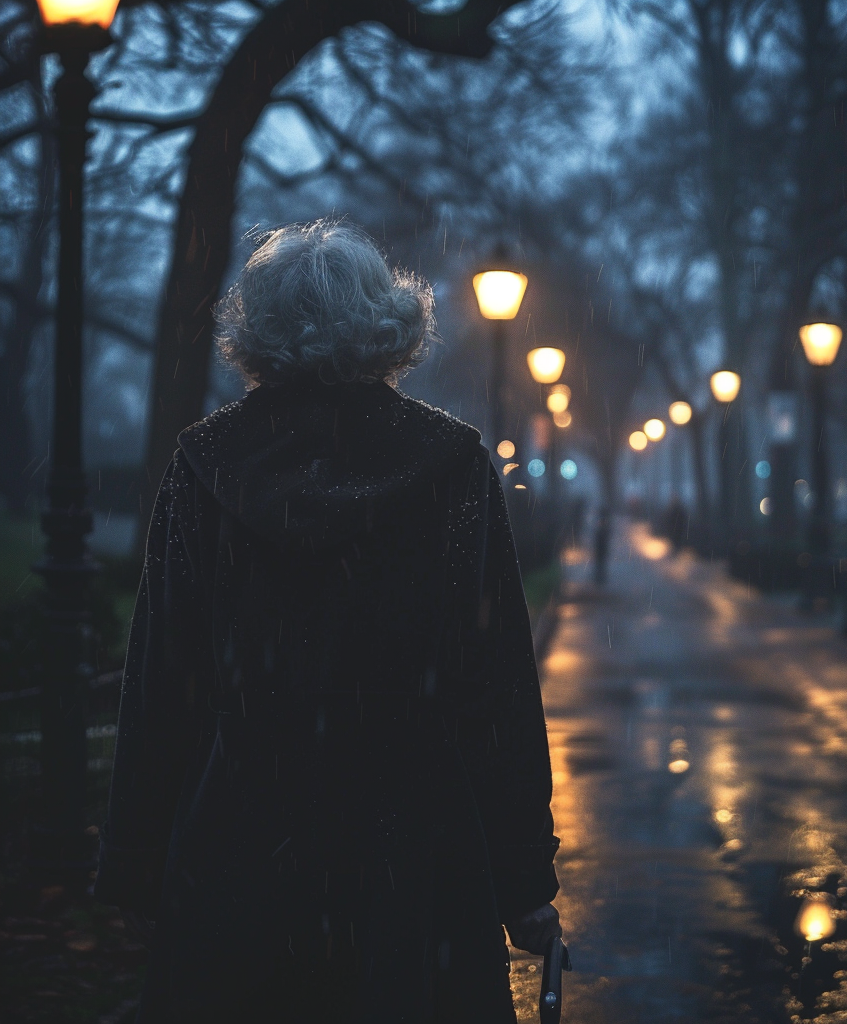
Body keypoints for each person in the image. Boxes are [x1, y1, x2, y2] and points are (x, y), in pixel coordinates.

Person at [93, 221, 561, 1023]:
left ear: (258, 328)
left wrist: (138, 869)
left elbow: (162, 684)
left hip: (240, 843)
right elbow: (497, 693)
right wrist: (522, 883)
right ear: (387, 322)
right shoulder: (450, 464)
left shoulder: (207, 464)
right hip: (413, 853)